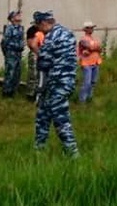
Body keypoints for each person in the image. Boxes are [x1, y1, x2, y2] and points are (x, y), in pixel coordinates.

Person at [33, 11, 79, 157]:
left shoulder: (51, 38)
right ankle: (39, 148)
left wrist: (37, 52)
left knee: (61, 118)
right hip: (67, 81)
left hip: (56, 82)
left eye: (38, 25)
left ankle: (73, 153)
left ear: (44, 23)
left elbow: (44, 63)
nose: (38, 29)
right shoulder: (68, 34)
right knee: (43, 114)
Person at [0, 10, 24, 98]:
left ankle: (14, 91)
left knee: (17, 73)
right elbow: (5, 42)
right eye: (16, 15)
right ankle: (7, 92)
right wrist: (7, 52)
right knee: (10, 72)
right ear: (12, 19)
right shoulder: (9, 28)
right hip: (11, 53)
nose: (19, 16)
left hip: (18, 53)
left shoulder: (20, 28)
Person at [77, 21, 102, 102]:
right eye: (90, 28)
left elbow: (100, 49)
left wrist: (94, 48)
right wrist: (95, 48)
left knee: (93, 82)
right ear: (86, 29)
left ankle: (89, 98)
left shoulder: (93, 39)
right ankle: (82, 100)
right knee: (87, 83)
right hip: (86, 63)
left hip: (95, 62)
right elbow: (90, 47)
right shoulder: (83, 39)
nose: (92, 29)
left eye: (92, 28)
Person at [25, 12, 46, 101]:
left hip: (43, 53)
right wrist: (38, 52)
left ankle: (38, 93)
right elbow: (30, 44)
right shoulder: (32, 30)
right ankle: (31, 94)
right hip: (34, 53)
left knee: (40, 76)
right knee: (33, 74)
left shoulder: (44, 30)